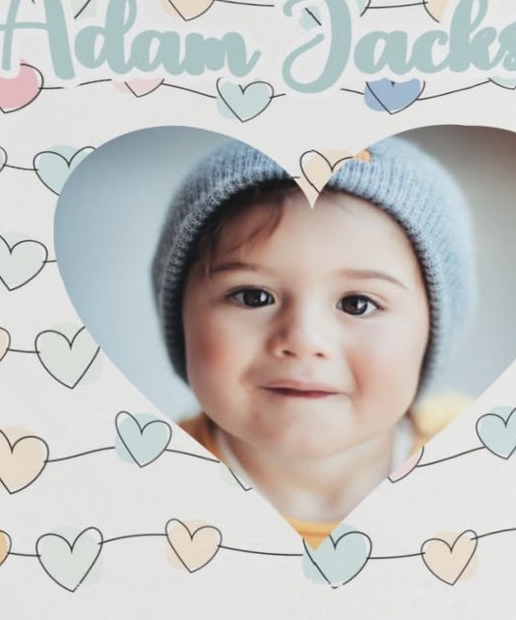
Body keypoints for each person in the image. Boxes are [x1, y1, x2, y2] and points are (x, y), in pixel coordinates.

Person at [150, 136, 477, 545]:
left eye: (357, 304)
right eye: (253, 297)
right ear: (181, 319)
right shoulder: (142, 492)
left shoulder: (485, 464)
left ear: (432, 333)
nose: (303, 340)